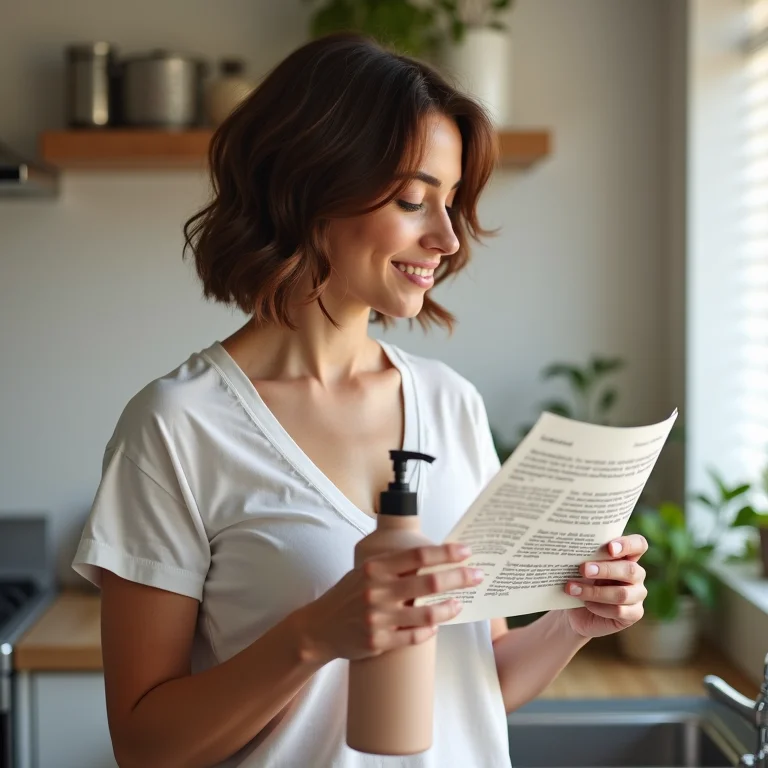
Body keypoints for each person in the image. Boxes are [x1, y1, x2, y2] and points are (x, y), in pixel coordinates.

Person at [71, 32, 649, 768]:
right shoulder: (177, 427)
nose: (447, 238)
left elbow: (476, 682)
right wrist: (313, 636)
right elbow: (144, 746)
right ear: (311, 187)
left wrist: (573, 623)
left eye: (451, 203)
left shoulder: (451, 404)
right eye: (413, 200)